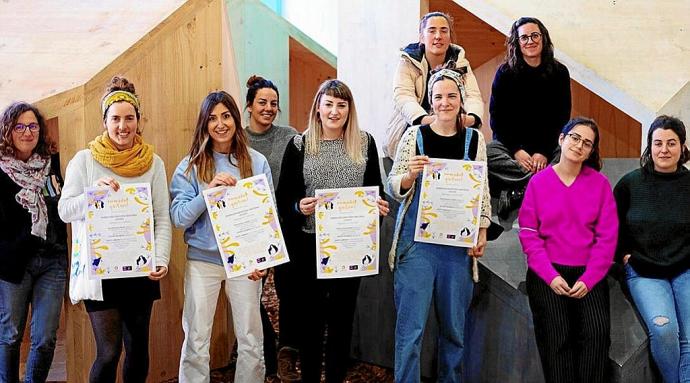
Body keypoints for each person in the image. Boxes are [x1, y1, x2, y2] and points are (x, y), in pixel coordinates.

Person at [58, 76, 171, 382]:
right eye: (116, 119)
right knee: (108, 352)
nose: (123, 126)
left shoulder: (153, 164)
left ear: (138, 120)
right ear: (104, 121)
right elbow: (65, 211)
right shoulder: (85, 161)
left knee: (137, 348)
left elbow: (161, 216)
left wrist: (160, 259)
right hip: (102, 273)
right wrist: (94, 194)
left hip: (140, 270)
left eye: (129, 118)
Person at [276, 79, 389, 383]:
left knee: (341, 322)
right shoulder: (299, 144)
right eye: (328, 104)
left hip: (349, 247)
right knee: (310, 323)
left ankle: (336, 377)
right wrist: (300, 207)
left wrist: (377, 209)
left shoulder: (364, 142)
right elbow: (283, 198)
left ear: (349, 109)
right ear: (318, 107)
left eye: (341, 105)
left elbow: (375, 190)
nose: (335, 111)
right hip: (308, 246)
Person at [387, 69, 490, 382]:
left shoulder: (474, 140)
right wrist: (410, 176)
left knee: (455, 330)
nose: (445, 102)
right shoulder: (413, 136)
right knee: (410, 330)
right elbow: (393, 184)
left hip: (457, 248)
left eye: (451, 96)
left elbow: (482, 188)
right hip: (416, 246)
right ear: (430, 102)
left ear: (461, 100)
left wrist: (481, 230)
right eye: (438, 97)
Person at [171, 90, 269, 383]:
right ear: (204, 124)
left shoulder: (257, 162)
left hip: (245, 264)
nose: (220, 124)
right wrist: (208, 194)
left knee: (251, 338)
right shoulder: (190, 165)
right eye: (212, 118)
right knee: (197, 337)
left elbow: (268, 215)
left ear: (236, 120)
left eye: (226, 116)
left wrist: (264, 259)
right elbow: (178, 218)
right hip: (204, 262)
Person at [518, 117, 617, 383]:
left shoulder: (600, 185)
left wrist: (589, 278)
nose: (579, 145)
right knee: (557, 337)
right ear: (562, 139)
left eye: (587, 143)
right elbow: (529, 235)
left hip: (589, 275)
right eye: (575, 138)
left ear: (591, 151)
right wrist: (551, 276)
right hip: (547, 273)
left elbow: (607, 239)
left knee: (596, 335)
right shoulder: (538, 183)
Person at [614, 115, 690, 383]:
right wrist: (623, 255)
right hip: (644, 271)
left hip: (685, 270)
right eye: (658, 143)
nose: (664, 150)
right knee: (666, 331)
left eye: (671, 143)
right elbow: (611, 225)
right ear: (649, 146)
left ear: (682, 147)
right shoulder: (630, 183)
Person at [0, 102, 67, 383]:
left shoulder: (54, 164)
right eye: (19, 126)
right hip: (14, 264)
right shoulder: (1, 170)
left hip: (52, 261)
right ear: (8, 131)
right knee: (10, 333)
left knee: (44, 338)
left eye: (33, 126)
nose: (27, 132)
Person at [243, 75, 299, 380]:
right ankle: (264, 346)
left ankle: (287, 352)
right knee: (251, 290)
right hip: (251, 226)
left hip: (287, 223)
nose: (268, 108)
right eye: (262, 102)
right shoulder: (237, 138)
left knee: (289, 291)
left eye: (273, 104)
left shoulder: (290, 136)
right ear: (249, 105)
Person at [488, 17, 571, 218]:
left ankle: (519, 192)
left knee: (570, 154)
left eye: (535, 35)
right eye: (523, 37)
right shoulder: (505, 73)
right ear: (517, 43)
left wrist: (542, 152)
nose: (530, 41)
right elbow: (497, 118)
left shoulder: (559, 72)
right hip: (512, 148)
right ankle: (541, 186)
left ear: (543, 38)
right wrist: (517, 151)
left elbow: (561, 117)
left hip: (548, 146)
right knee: (485, 153)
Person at [385, 11, 484, 159]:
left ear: (450, 36)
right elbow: (403, 96)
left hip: (452, 128)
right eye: (432, 30)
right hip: (413, 128)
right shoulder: (407, 61)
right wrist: (426, 120)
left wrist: (471, 118)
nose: (438, 36)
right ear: (421, 37)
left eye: (444, 30)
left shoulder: (461, 62)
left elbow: (473, 96)